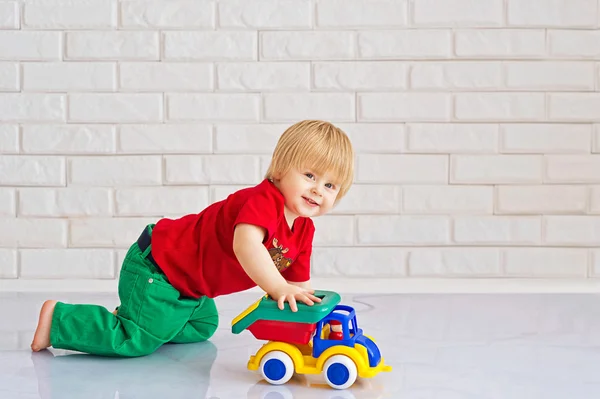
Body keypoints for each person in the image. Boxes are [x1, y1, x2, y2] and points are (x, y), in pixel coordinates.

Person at [30, 120, 355, 357]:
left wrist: (307, 309)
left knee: (203, 326)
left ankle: (145, 314)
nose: (317, 189)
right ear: (282, 169)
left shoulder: (303, 229)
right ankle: (59, 320)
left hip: (191, 287)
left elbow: (298, 285)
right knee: (136, 340)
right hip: (158, 267)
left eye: (330, 185)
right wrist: (277, 287)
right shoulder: (263, 200)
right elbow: (246, 246)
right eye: (310, 176)